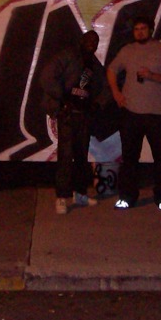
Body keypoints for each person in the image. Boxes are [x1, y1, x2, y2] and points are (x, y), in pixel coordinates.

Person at [107, 16, 161, 212]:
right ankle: (127, 197)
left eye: (143, 28)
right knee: (129, 157)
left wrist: (152, 76)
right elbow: (112, 70)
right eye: (136, 29)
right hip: (131, 113)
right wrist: (116, 92)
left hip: (157, 113)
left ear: (151, 30)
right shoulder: (127, 50)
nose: (140, 32)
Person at [40, 30, 108, 215]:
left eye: (95, 41)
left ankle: (80, 193)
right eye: (89, 40)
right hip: (67, 114)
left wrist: (97, 104)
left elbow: (105, 87)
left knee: (81, 156)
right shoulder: (68, 56)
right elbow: (46, 76)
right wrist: (62, 99)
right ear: (81, 40)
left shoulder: (94, 64)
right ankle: (62, 197)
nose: (92, 43)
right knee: (65, 155)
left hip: (83, 115)